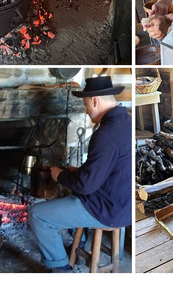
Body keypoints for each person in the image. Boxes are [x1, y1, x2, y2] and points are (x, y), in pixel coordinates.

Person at [28, 76, 132, 272]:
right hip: (124, 204)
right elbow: (107, 169)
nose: (86, 110)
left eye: (86, 105)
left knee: (37, 214)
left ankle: (61, 268)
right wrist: (80, 172)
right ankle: (80, 242)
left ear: (95, 100)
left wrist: (60, 176)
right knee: (73, 189)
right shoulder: (126, 122)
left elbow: (86, 186)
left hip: (109, 210)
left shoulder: (106, 133)